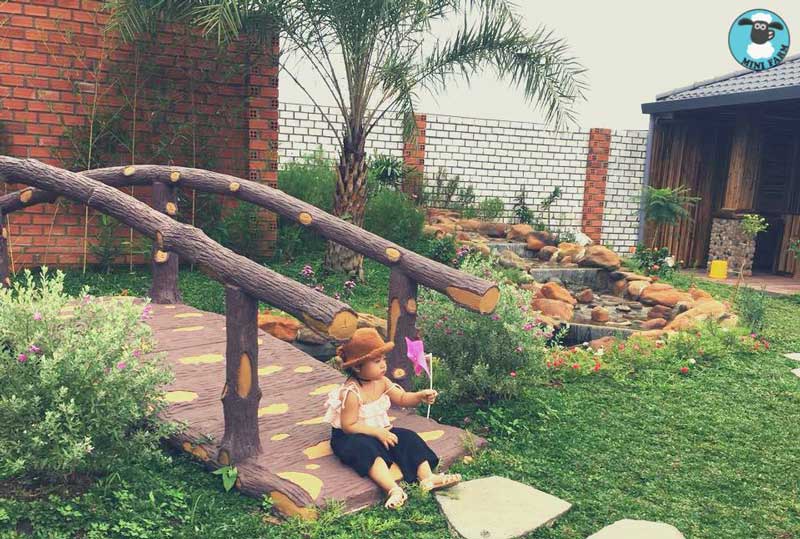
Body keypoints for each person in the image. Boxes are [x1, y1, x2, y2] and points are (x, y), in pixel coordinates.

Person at [324, 327, 461, 509]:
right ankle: (393, 489)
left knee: (408, 437)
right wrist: (378, 433)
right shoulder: (352, 392)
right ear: (357, 367)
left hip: (380, 431)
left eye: (384, 360)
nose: (383, 365)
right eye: (377, 361)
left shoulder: (382, 381)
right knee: (367, 450)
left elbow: (402, 398)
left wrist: (419, 396)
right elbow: (348, 425)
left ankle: (427, 477)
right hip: (351, 436)